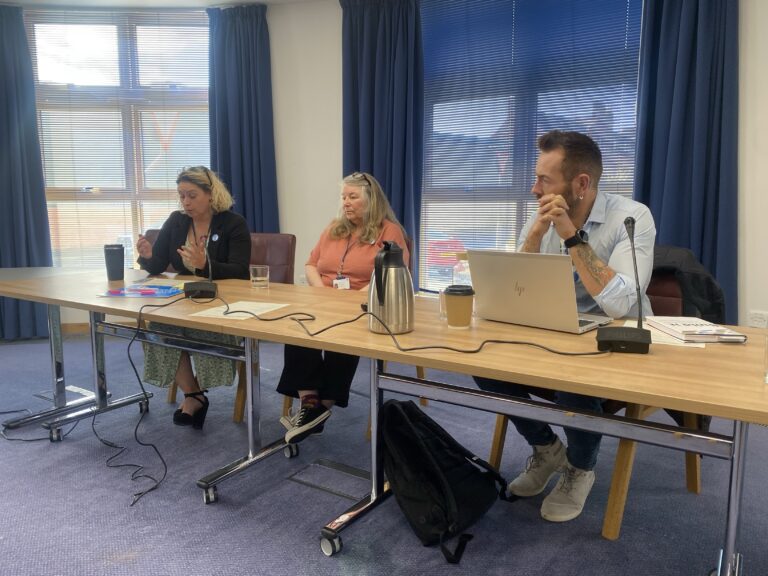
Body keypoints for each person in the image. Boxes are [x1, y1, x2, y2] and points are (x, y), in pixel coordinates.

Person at [474, 130, 656, 522]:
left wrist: (572, 238)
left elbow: (619, 302)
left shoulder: (632, 217)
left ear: (581, 184)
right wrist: (536, 235)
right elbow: (514, 288)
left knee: (570, 377)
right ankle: (546, 449)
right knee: (483, 365)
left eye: (544, 180)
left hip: (616, 336)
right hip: (558, 329)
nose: (533, 187)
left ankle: (579, 467)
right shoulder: (541, 216)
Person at [277, 172, 409, 444]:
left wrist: (349, 301)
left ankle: (320, 407)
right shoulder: (335, 227)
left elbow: (393, 272)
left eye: (353, 197)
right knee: (298, 324)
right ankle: (311, 403)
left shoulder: (389, 231)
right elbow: (311, 264)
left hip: (364, 302)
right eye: (343, 197)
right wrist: (322, 293)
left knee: (345, 331)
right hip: (323, 298)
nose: (346, 202)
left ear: (371, 200)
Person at [136, 166, 251, 429]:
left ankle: (198, 392)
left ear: (211, 195)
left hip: (223, 303)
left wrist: (204, 265)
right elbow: (159, 265)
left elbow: (240, 271)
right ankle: (193, 394)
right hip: (183, 302)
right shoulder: (176, 221)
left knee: (198, 330)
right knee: (158, 325)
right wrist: (148, 256)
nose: (185, 202)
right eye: (181, 196)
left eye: (192, 195)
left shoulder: (233, 223)